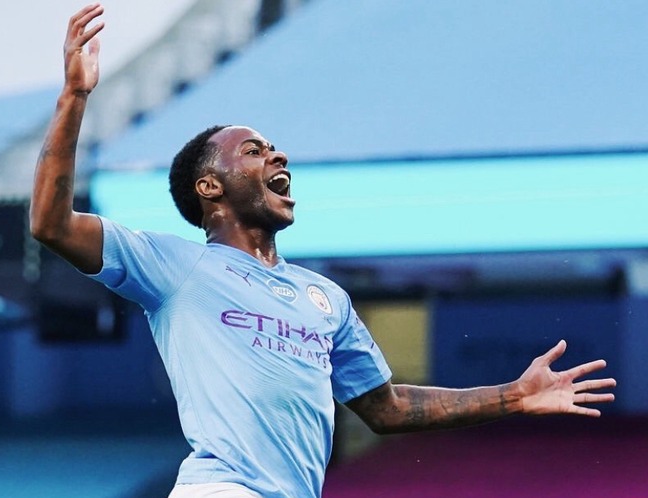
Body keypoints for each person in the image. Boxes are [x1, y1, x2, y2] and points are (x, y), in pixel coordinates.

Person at [30, 5, 616, 498]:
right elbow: (51, 224)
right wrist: (74, 97)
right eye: (254, 151)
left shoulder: (326, 298)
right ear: (210, 188)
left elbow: (386, 408)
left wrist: (513, 396)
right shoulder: (175, 266)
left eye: (274, 148)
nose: (277, 156)